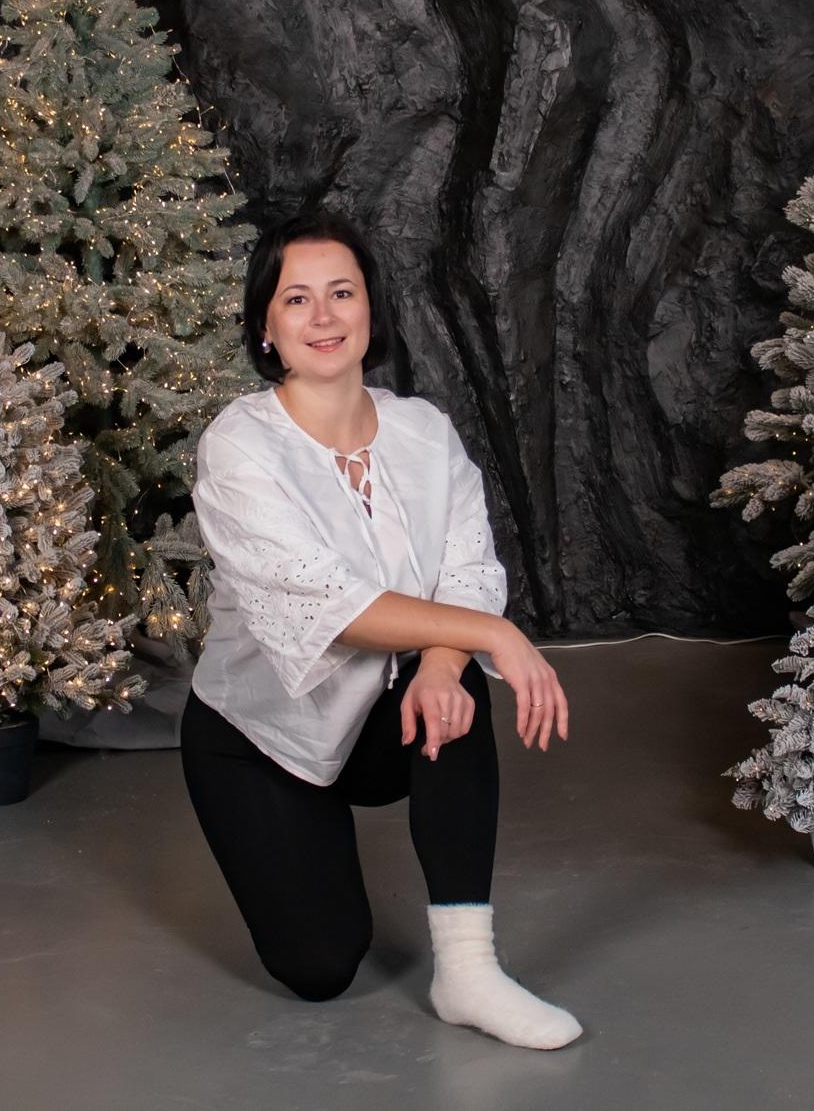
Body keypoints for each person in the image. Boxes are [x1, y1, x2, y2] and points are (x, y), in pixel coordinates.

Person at [180, 212, 581, 1051]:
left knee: (456, 681)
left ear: (370, 308)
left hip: (382, 716)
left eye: (342, 292)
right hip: (261, 736)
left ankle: (468, 970)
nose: (324, 316)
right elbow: (330, 604)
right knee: (321, 965)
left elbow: (465, 568)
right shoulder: (240, 445)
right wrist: (496, 635)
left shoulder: (423, 432)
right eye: (297, 298)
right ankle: (304, 839)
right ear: (266, 324)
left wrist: (443, 661)